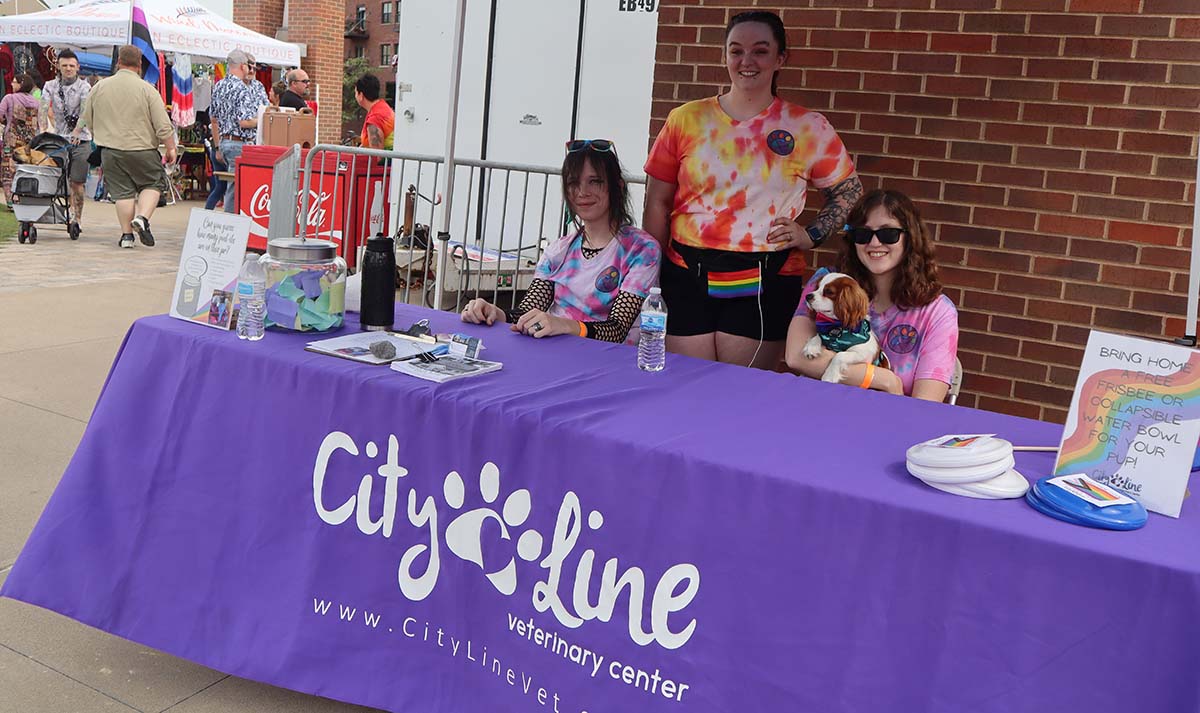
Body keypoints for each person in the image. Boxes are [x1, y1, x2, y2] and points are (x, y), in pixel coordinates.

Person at [643, 10, 863, 370]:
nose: (747, 61)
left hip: (765, 276)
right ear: (725, 56)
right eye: (736, 50)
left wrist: (811, 234)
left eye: (760, 51)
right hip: (685, 271)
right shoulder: (685, 119)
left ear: (780, 59)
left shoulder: (807, 127)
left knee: (737, 394)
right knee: (685, 387)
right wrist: (650, 272)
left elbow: (849, 191)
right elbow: (657, 201)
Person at [461, 139, 660, 344]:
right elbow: (528, 311)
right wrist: (494, 313)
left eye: (595, 181)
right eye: (573, 183)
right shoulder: (558, 250)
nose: (583, 192)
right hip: (557, 355)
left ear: (617, 186)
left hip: (612, 362)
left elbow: (617, 329)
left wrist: (564, 325)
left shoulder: (642, 250)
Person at [785, 189, 959, 401]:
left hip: (890, 424)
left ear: (910, 238)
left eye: (888, 234)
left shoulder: (937, 311)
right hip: (820, 410)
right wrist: (883, 380)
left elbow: (925, 404)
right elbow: (796, 357)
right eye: (863, 234)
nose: (874, 243)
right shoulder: (826, 282)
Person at [74, 45, 176, 249]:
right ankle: (142, 217)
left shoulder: (99, 88)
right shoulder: (148, 90)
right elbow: (162, 124)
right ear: (139, 65)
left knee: (122, 193)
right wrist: (171, 148)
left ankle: (126, 236)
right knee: (153, 184)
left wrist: (100, 135)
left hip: (110, 151)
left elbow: (87, 119)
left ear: (118, 62)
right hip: (142, 149)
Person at [210, 49, 266, 213]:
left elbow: (213, 119)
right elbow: (245, 122)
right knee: (235, 191)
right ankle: (231, 229)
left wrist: (218, 146)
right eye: (249, 67)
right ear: (243, 66)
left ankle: (232, 225)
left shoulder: (219, 85)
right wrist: (262, 119)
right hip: (240, 143)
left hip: (226, 142)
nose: (251, 71)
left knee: (233, 187)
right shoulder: (241, 88)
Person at [44, 49, 91, 234]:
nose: (68, 69)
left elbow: (86, 110)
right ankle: (54, 212)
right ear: (58, 66)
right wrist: (42, 129)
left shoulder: (84, 87)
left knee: (76, 182)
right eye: (64, 65)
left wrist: (78, 131)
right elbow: (43, 108)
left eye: (72, 65)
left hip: (81, 139)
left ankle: (77, 218)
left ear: (78, 67)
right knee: (51, 177)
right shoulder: (50, 85)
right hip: (58, 138)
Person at [0, 73, 40, 207]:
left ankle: (11, 201)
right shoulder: (36, 102)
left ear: (21, 84)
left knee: (8, 169)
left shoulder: (9, 98)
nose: (11, 84)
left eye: (14, 82)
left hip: (11, 141)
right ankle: (24, 198)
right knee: (26, 169)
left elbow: (0, 115)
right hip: (30, 142)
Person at [355, 74, 393, 150]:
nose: (355, 96)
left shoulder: (375, 119)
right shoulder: (383, 107)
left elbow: (376, 156)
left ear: (361, 95)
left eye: (355, 92)